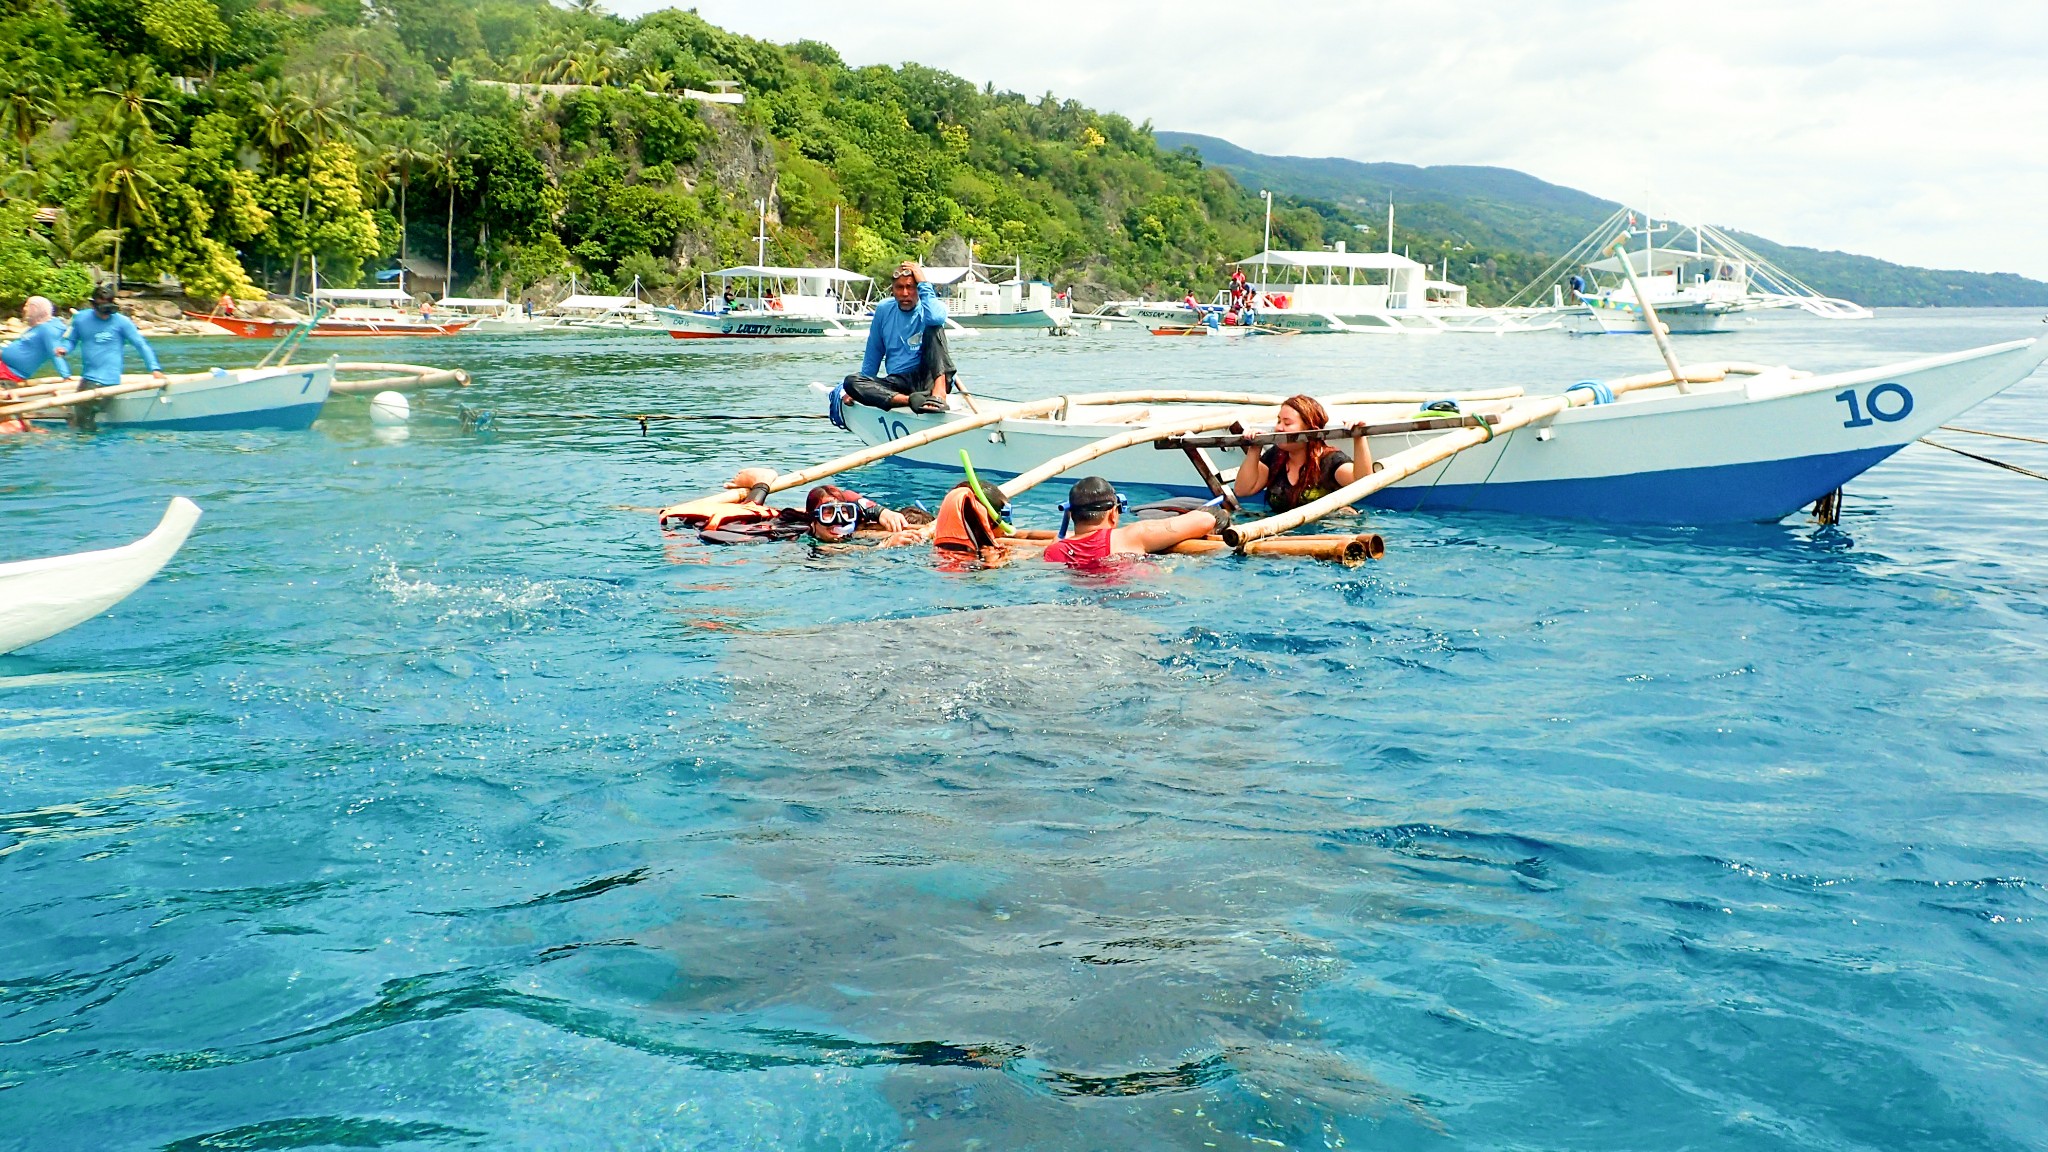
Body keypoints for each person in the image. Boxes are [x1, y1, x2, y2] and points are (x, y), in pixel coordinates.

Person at [840, 260, 954, 414]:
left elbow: (935, 318)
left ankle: (939, 395)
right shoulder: (883, 309)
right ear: (893, 289)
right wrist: (860, 390)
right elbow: (873, 352)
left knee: (934, 326)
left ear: (919, 289)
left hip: (930, 379)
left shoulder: (930, 307)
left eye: (911, 287)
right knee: (851, 382)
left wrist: (922, 281)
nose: (905, 293)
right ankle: (908, 400)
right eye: (900, 288)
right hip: (899, 382)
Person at [1042, 476, 1228, 568]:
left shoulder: (1054, 551)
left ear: (1070, 515)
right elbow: (1205, 520)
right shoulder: (1131, 535)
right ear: (1114, 513)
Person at [1232, 394, 1370, 513]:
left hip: (1326, 531)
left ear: (1310, 429)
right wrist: (1254, 449)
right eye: (1279, 421)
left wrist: (1360, 437)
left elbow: (1364, 484)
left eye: (1287, 423)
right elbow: (1243, 490)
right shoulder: (1275, 457)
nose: (1279, 428)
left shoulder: (1330, 460)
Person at [57, 284, 163, 391]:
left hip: (110, 380)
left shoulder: (122, 322)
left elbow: (141, 345)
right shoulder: (81, 319)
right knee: (81, 405)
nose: (105, 315)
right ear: (93, 305)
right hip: (89, 377)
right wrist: (64, 349)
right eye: (102, 309)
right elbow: (71, 340)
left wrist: (154, 369)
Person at [1, 296, 73, 388]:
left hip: (10, 373)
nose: (24, 308)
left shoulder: (48, 329)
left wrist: (66, 376)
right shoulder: (39, 327)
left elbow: (55, 353)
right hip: (4, 366)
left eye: (27, 305)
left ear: (35, 309)